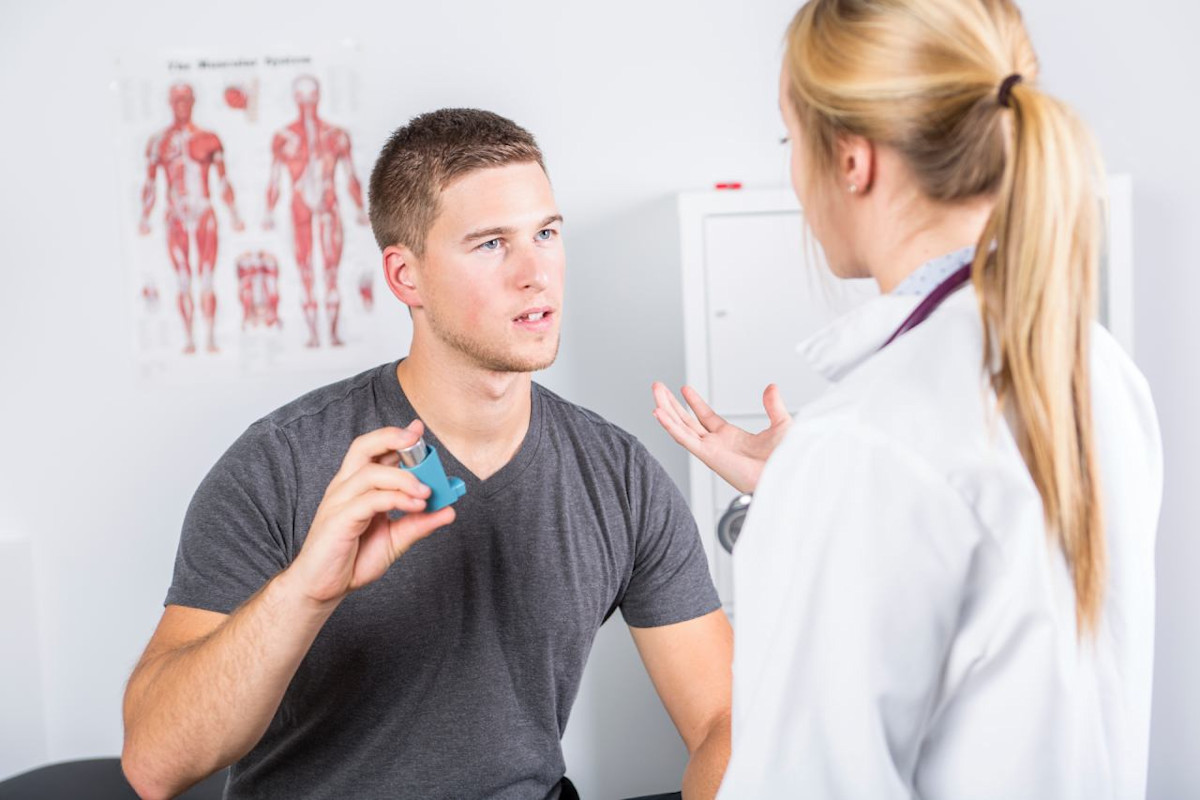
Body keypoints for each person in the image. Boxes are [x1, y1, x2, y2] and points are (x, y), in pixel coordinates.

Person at [122, 109, 733, 800]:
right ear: (406, 277)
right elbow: (155, 763)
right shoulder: (280, 466)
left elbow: (725, 718)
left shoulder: (618, 477)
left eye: (546, 233)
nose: (537, 273)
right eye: (491, 244)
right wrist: (307, 592)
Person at [652, 1, 1162, 797]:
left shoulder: (863, 445)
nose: (794, 173)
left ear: (852, 161)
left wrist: (816, 497)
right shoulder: (1095, 367)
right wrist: (802, 491)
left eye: (793, 142)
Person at [264, 75, 370, 348]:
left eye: (312, 98)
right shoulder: (283, 138)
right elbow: (274, 179)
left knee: (331, 271)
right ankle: (313, 335)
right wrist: (267, 212)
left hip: (328, 207)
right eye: (303, 99)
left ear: (319, 97)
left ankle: (332, 334)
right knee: (306, 271)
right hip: (299, 208)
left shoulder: (335, 136)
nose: (308, 105)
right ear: (295, 100)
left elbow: (350, 176)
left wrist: (360, 208)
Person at [139, 82, 245, 354]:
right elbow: (150, 184)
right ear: (169, 103)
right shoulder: (158, 142)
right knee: (183, 278)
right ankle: (188, 338)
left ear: (194, 101)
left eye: (186, 99)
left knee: (207, 277)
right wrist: (144, 216)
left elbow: (223, 181)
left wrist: (234, 214)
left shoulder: (209, 138)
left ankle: (209, 337)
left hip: (203, 212)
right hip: (175, 214)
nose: (181, 105)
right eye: (176, 100)